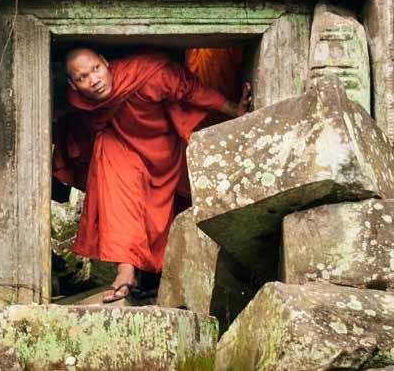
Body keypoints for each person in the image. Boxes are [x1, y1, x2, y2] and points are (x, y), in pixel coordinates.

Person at [52, 47, 251, 303]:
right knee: (117, 192)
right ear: (73, 84)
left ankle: (163, 274)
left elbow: (191, 89)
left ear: (106, 62)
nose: (94, 80)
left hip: (163, 145)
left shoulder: (148, 71)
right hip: (122, 145)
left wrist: (234, 110)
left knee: (172, 209)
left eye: (96, 69)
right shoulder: (79, 100)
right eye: (82, 78)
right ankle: (126, 270)